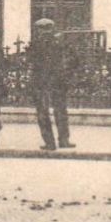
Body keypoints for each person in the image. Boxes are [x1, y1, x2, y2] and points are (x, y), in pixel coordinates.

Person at [28, 18, 74, 151]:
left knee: (43, 113)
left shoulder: (36, 44)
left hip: (42, 83)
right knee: (60, 111)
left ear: (39, 30)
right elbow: (71, 59)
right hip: (58, 82)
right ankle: (64, 140)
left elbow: (32, 62)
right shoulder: (59, 43)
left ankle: (50, 142)